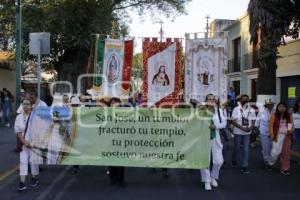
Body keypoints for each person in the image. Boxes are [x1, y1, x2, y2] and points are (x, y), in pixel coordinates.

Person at [200, 94, 227, 191]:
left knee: (219, 161)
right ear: (206, 100)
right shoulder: (201, 110)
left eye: (213, 99)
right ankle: (207, 180)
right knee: (204, 160)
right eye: (209, 99)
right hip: (204, 137)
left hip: (216, 136)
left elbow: (224, 123)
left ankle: (213, 177)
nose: (211, 101)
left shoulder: (220, 111)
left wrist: (216, 126)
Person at [15, 98, 39, 191]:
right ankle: (22, 183)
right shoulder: (18, 117)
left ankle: (34, 178)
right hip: (24, 144)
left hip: (34, 143)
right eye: (24, 104)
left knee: (33, 161)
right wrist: (25, 142)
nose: (25, 106)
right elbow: (18, 132)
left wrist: (33, 143)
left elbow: (39, 130)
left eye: (27, 104)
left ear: (31, 106)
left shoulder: (35, 116)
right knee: (23, 161)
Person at [230, 94, 256, 174]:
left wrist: (251, 128)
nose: (245, 101)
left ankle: (244, 166)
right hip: (238, 132)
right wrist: (242, 128)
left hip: (247, 132)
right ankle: (234, 160)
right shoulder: (236, 109)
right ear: (240, 101)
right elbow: (233, 121)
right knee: (237, 148)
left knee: (245, 150)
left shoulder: (251, 109)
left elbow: (254, 120)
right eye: (243, 99)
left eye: (247, 99)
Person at [268, 102, 294, 175]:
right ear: (278, 108)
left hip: (286, 136)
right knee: (275, 152)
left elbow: (291, 124)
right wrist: (272, 135)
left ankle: (285, 168)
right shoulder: (274, 115)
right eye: (280, 106)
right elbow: (270, 126)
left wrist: (290, 131)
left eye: (283, 106)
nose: (282, 108)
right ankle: (270, 162)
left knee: (286, 153)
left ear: (286, 108)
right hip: (277, 136)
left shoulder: (288, 116)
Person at [108, 97, 126, 187]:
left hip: (120, 141)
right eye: (112, 103)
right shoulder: (105, 113)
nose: (113, 104)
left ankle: (121, 180)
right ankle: (113, 178)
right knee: (111, 161)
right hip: (110, 142)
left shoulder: (124, 113)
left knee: (121, 162)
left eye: (115, 102)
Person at [256, 99, 275, 169]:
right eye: (269, 105)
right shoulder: (262, 111)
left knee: (272, 146)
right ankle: (267, 161)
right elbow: (257, 120)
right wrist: (256, 129)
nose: (270, 106)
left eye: (271, 104)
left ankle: (269, 157)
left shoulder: (275, 111)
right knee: (266, 146)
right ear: (266, 105)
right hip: (263, 131)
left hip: (273, 131)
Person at [292, 98, 300, 164]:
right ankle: (286, 157)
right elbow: (288, 120)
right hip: (294, 129)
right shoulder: (292, 110)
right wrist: (289, 129)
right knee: (293, 143)